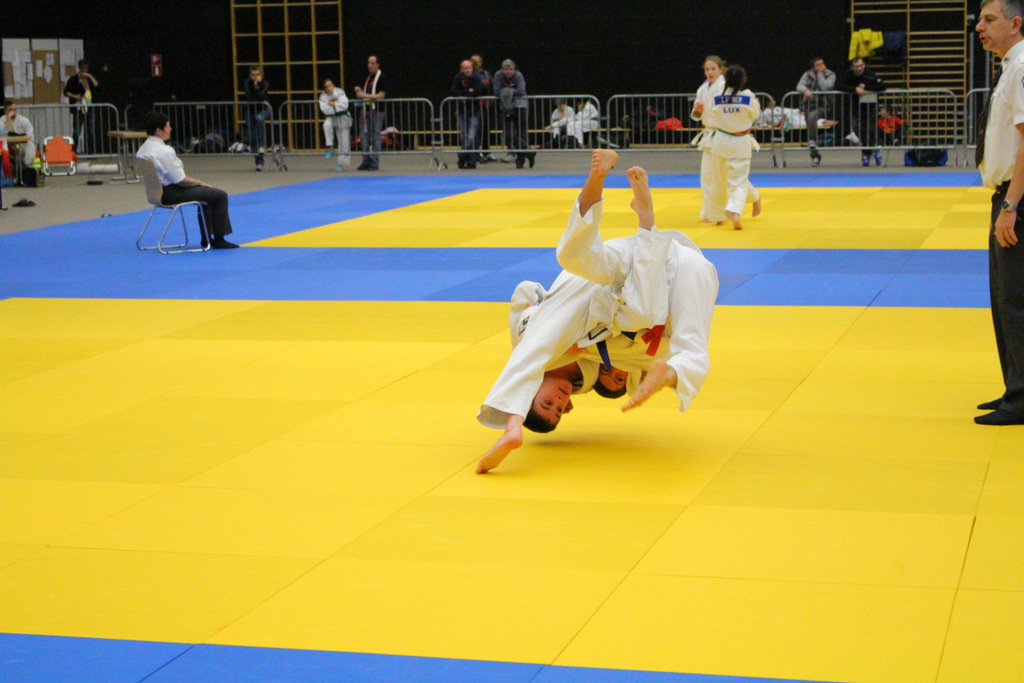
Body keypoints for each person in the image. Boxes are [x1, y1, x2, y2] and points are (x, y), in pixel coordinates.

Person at [477, 150, 719, 473]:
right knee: (664, 329)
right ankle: (647, 223)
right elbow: (625, 372)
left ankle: (599, 181)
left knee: (570, 260)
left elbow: (527, 306)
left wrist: (514, 419)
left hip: (603, 281)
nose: (558, 402)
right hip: (678, 273)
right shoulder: (588, 379)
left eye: (548, 403)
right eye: (559, 409)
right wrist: (654, 374)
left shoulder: (533, 337)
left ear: (532, 392)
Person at [974, 0, 1024, 425]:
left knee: (1016, 300)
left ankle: (1021, 399)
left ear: (1015, 23)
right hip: (1006, 195)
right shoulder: (1009, 68)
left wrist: (1011, 205)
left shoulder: (1022, 67)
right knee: (1003, 298)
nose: (980, 27)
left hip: (1017, 197)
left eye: (989, 19)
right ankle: (1014, 387)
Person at [136, 111, 239, 249]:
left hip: (156, 193)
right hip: (171, 193)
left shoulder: (143, 149)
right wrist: (200, 183)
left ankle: (207, 238)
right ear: (159, 130)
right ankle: (219, 238)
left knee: (208, 195)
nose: (170, 129)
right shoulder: (163, 151)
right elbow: (180, 180)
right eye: (168, 126)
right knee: (219, 195)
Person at [691, 55, 762, 225]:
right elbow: (755, 113)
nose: (709, 72)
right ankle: (718, 213)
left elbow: (714, 113)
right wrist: (697, 111)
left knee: (721, 178)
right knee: (722, 178)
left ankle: (719, 213)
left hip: (720, 137)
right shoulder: (744, 95)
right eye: (707, 69)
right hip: (722, 137)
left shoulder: (720, 93)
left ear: (721, 71)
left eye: (713, 69)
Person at [708, 65, 761, 230]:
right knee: (738, 181)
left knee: (718, 180)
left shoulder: (717, 96)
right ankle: (735, 212)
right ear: (742, 80)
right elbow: (755, 114)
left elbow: (712, 114)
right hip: (740, 142)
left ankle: (717, 216)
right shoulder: (748, 96)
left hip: (721, 141)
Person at [838, 57, 886, 166]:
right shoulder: (848, 74)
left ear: (864, 65)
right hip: (855, 106)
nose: (859, 69)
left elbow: (882, 86)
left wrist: (866, 88)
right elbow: (840, 85)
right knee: (856, 127)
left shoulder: (869, 74)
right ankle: (873, 147)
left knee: (871, 128)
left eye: (861, 66)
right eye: (856, 67)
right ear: (852, 67)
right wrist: (855, 89)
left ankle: (867, 152)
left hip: (870, 105)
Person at [491, 59, 535, 169]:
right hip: (506, 107)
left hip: (521, 106)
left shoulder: (518, 75)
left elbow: (521, 91)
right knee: (508, 134)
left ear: (514, 69)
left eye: (511, 69)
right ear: (502, 70)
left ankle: (520, 160)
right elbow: (496, 91)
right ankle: (529, 152)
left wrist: (505, 91)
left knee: (522, 133)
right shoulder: (498, 75)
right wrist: (511, 91)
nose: (508, 72)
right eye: (506, 69)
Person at [796, 57, 836, 166]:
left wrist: (820, 74)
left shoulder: (830, 74)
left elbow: (825, 87)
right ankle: (815, 156)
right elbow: (799, 86)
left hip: (824, 106)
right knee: (810, 129)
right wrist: (805, 90)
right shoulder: (807, 74)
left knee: (812, 116)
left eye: (822, 63)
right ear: (813, 68)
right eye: (818, 65)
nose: (822, 66)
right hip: (809, 105)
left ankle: (813, 141)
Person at [355, 55, 387, 171]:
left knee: (375, 138)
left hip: (377, 111)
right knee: (364, 137)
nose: (370, 66)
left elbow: (381, 95)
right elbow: (364, 92)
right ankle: (366, 160)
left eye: (373, 63)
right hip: (366, 111)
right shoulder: (368, 77)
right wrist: (359, 91)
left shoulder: (382, 78)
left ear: (378, 64)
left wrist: (365, 95)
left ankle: (374, 162)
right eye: (369, 63)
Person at [451, 60, 484, 169]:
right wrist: (468, 91)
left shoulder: (476, 77)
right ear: (461, 69)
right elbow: (454, 91)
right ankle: (468, 160)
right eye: (466, 68)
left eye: (469, 67)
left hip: (474, 111)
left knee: (471, 137)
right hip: (461, 111)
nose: (468, 70)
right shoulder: (457, 78)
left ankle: (462, 156)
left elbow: (477, 91)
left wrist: (464, 93)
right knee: (464, 136)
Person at [63, 59, 99, 154]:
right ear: (79, 68)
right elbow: (66, 92)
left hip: (89, 106)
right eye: (83, 68)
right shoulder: (74, 79)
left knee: (90, 131)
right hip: (79, 108)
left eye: (86, 68)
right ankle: (74, 150)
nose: (85, 70)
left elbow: (96, 85)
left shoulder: (89, 79)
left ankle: (91, 152)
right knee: (76, 131)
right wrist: (75, 96)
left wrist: (90, 76)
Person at [319, 78, 352, 171]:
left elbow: (344, 105)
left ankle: (340, 164)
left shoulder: (340, 92)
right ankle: (330, 147)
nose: (329, 88)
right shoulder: (323, 96)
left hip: (343, 117)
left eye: (330, 86)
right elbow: (325, 109)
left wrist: (333, 104)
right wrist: (336, 105)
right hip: (331, 117)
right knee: (326, 125)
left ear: (333, 85)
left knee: (343, 141)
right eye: (326, 87)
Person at [243, 66, 271, 171]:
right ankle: (259, 162)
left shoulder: (265, 83)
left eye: (257, 75)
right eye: (253, 75)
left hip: (263, 110)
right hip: (250, 112)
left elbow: (261, 97)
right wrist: (254, 86)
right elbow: (249, 97)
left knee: (259, 118)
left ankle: (262, 145)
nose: (255, 77)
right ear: (250, 76)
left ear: (261, 75)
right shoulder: (247, 83)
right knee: (252, 137)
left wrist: (257, 85)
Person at [470, 54, 497, 162]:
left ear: (480, 63)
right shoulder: (468, 74)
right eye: (472, 61)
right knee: (476, 130)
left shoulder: (486, 74)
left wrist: (491, 102)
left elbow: (492, 89)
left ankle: (487, 152)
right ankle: (477, 152)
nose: (474, 64)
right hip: (473, 106)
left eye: (476, 62)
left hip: (485, 106)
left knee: (486, 129)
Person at [1, 100, 37, 175]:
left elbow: (30, 137)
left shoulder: (24, 121)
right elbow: (7, 133)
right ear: (5, 111)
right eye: (10, 110)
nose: (13, 112)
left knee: (30, 145)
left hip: (22, 145)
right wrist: (9, 118)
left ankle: (28, 168)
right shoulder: (2, 120)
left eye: (14, 109)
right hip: (8, 146)